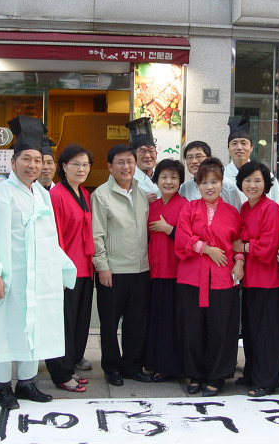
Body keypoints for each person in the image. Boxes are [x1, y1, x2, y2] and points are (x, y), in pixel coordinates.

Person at [0, 115, 77, 410]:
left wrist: (59, 269)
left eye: (38, 160)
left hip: (38, 275)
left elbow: (50, 238)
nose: (33, 165)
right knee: (4, 329)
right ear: (13, 161)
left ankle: (26, 383)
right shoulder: (0, 193)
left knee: (33, 327)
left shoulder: (42, 194)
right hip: (10, 276)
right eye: (26, 159)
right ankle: (2, 387)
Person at [175, 157, 243, 397]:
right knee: (192, 329)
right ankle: (195, 374)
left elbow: (238, 242)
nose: (209, 187)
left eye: (214, 181)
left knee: (220, 329)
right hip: (192, 277)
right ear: (197, 185)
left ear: (222, 183)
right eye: (204, 182)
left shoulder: (233, 212)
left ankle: (216, 376)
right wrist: (206, 248)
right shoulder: (188, 208)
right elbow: (181, 237)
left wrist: (239, 262)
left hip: (222, 279)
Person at [92, 143, 152, 386]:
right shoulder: (101, 195)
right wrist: (102, 266)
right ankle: (112, 367)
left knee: (136, 322)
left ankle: (132, 365)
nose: (126, 166)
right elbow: (96, 234)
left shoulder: (141, 192)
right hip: (113, 270)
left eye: (130, 161)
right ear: (110, 166)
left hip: (141, 269)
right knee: (109, 323)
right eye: (120, 162)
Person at [232, 161, 279, 397]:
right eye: (247, 180)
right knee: (252, 329)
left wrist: (244, 246)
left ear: (266, 184)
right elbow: (240, 239)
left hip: (269, 280)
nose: (252, 185)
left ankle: (268, 380)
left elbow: (267, 248)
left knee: (268, 333)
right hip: (250, 279)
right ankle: (253, 372)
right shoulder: (245, 208)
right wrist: (243, 250)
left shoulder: (271, 209)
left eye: (257, 180)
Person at [45, 144, 95, 392]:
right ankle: (61, 373)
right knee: (62, 323)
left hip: (85, 268)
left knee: (79, 321)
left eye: (85, 165)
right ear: (63, 166)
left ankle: (72, 364)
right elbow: (54, 237)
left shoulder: (84, 193)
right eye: (76, 164)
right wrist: (59, 271)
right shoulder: (56, 195)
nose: (81, 169)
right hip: (66, 271)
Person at [144, 159, 188, 382]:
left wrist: (168, 229)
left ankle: (171, 367)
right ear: (157, 179)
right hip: (154, 271)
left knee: (172, 321)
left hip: (176, 272)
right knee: (157, 320)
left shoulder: (186, 206)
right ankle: (155, 362)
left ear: (180, 181)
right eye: (164, 177)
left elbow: (190, 240)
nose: (168, 181)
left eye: (173, 177)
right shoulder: (152, 206)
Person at [225, 113, 279, 209]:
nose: (239, 147)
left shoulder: (265, 175)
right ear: (228, 148)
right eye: (234, 143)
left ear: (252, 148)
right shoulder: (221, 176)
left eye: (244, 143)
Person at [178, 140, 242, 211]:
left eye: (198, 156)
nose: (194, 161)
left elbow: (237, 212)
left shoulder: (227, 185)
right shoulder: (185, 187)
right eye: (189, 157)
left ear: (209, 158)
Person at [127, 117, 161, 203]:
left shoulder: (161, 175)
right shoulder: (128, 178)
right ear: (134, 155)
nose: (148, 156)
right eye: (143, 151)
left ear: (156, 154)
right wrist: (141, 201)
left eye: (151, 151)